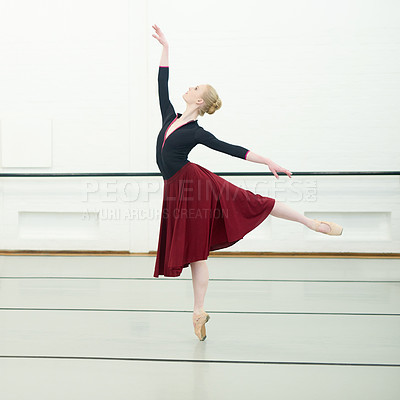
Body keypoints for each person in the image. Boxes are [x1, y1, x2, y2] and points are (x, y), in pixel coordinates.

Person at [151, 24, 343, 341]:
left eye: (195, 88)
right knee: (197, 252)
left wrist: (268, 160)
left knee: (250, 207)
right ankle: (199, 313)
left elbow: (232, 149)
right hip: (178, 189)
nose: (190, 87)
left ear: (200, 102)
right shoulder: (170, 117)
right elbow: (162, 83)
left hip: (194, 185)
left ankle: (310, 223)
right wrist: (165, 48)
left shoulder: (197, 132)